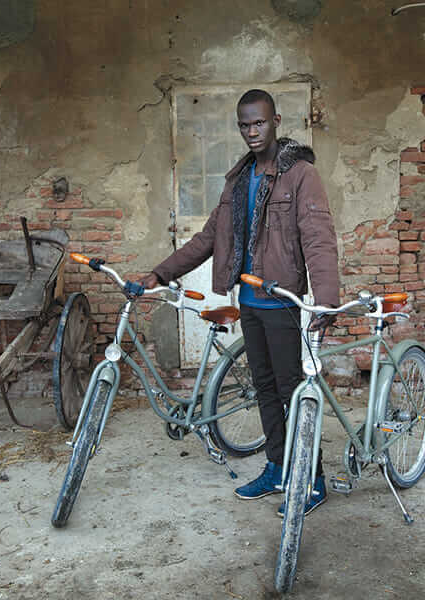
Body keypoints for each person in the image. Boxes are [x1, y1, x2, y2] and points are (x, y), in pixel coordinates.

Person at [140, 89, 339, 516]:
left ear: (276, 121)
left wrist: (325, 300)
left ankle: (314, 478)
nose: (252, 131)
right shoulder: (239, 178)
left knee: (294, 393)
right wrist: (161, 273)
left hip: (283, 303)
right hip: (249, 302)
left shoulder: (301, 175)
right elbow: (208, 239)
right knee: (265, 390)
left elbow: (319, 238)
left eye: (259, 123)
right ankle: (277, 467)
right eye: (245, 125)